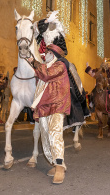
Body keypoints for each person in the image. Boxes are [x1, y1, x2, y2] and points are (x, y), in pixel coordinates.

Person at [28, 44, 71, 184]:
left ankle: (59, 167)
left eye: (46, 53)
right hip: (43, 105)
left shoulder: (60, 65)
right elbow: (41, 77)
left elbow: (46, 74)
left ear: (53, 54)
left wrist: (33, 61)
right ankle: (55, 162)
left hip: (56, 104)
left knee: (54, 133)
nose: (44, 55)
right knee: (45, 135)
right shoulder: (46, 67)